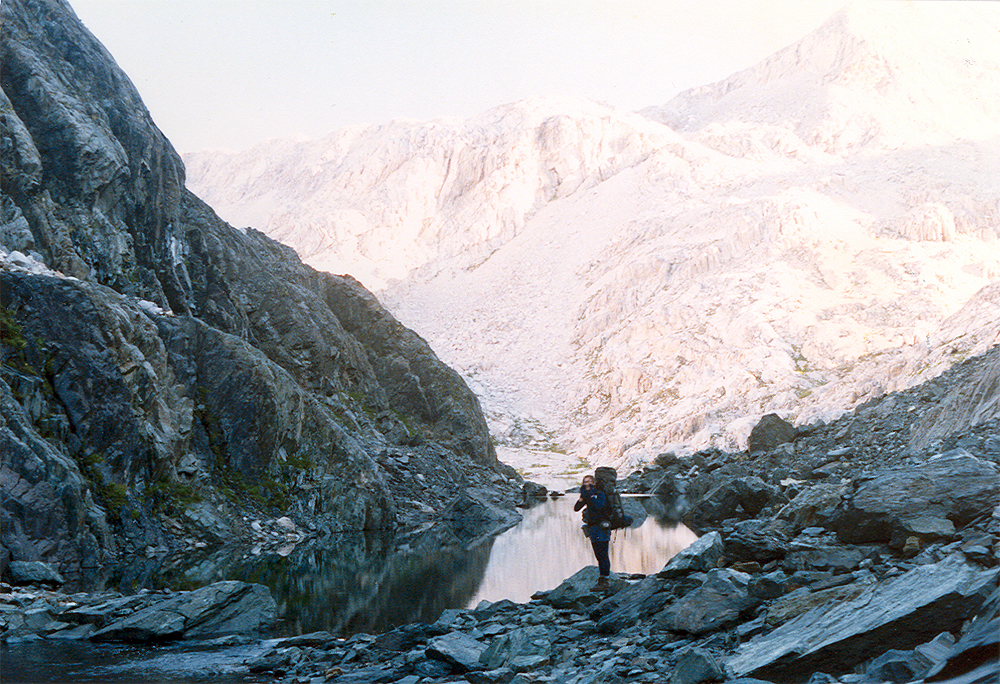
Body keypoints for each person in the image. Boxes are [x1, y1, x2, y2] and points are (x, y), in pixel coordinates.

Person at [574, 474, 611, 589]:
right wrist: (582, 498)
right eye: (585, 482)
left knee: (603, 553)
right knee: (598, 554)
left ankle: (605, 579)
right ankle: (602, 578)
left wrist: (591, 497)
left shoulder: (599, 494)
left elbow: (599, 506)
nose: (587, 484)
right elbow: (576, 508)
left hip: (602, 527)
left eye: (589, 481)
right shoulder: (586, 495)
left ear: (594, 483)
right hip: (593, 528)